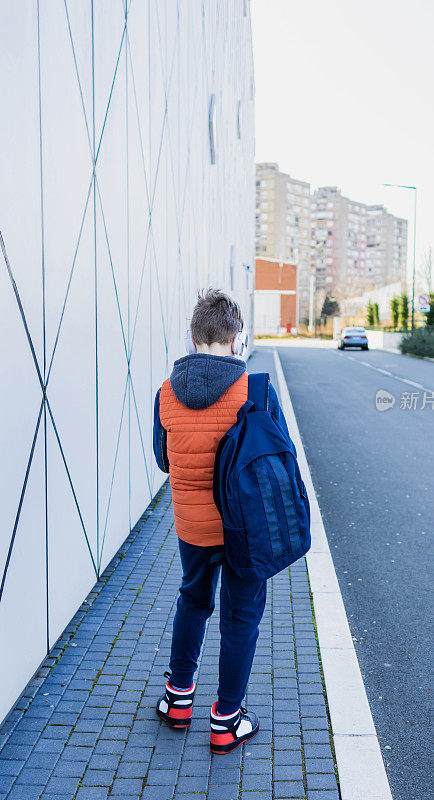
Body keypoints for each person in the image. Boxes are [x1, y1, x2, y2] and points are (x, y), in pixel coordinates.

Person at [152, 287, 290, 754]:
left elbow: (163, 461)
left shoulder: (166, 392)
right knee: (240, 617)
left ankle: (177, 701)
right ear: (238, 339)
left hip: (192, 526)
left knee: (193, 601)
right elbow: (278, 460)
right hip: (243, 531)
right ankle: (227, 720)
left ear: (193, 339)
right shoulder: (255, 390)